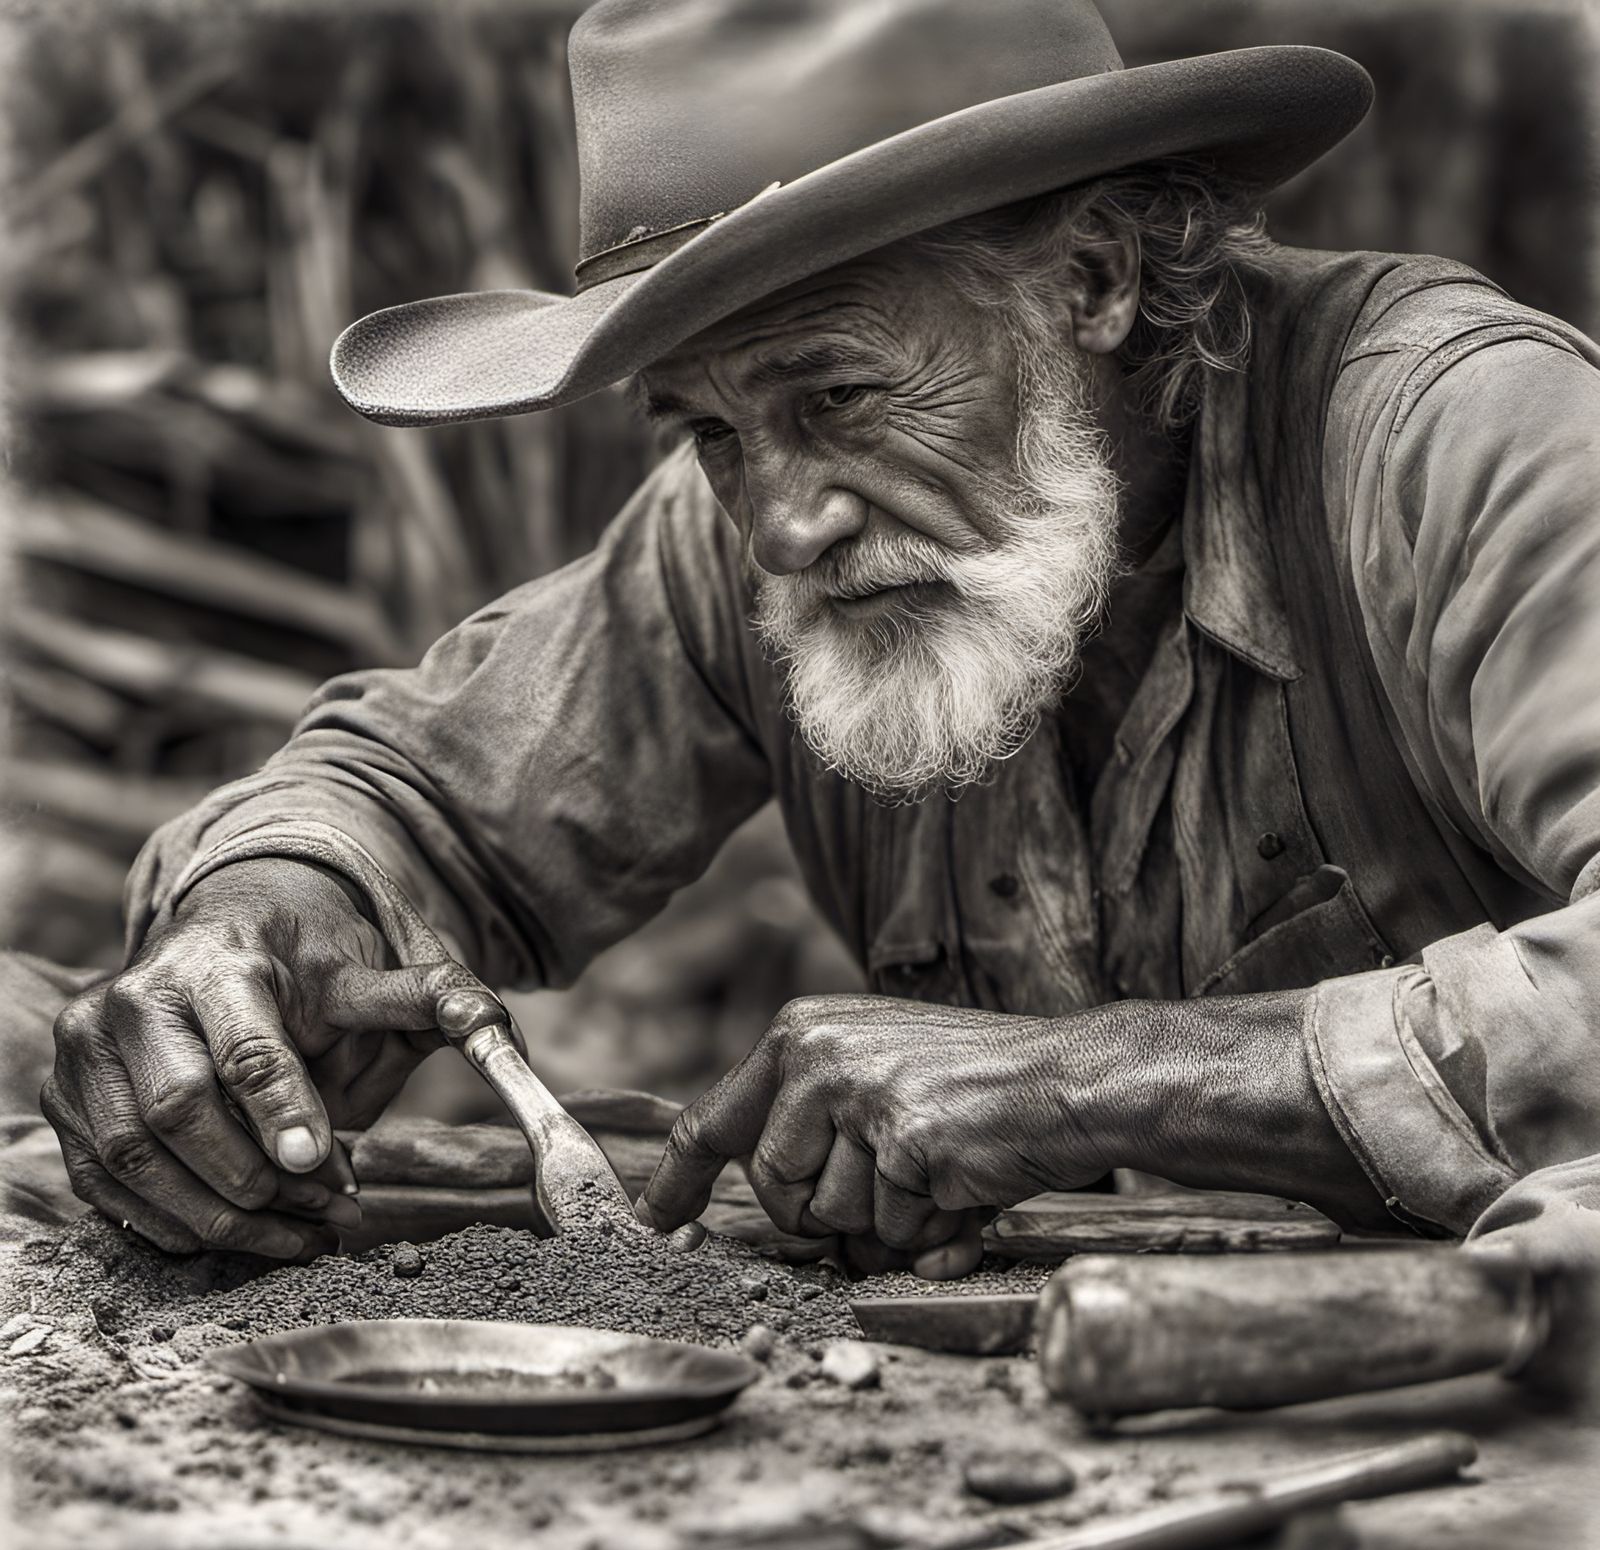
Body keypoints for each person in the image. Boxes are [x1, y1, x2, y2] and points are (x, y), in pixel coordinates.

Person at [40, 0, 1600, 1281]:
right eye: (712, 432)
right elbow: (422, 791)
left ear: (1097, 282)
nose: (781, 524)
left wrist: (1078, 1080)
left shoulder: (1462, 440)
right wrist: (257, 918)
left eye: (839, 397)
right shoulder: (785, 532)